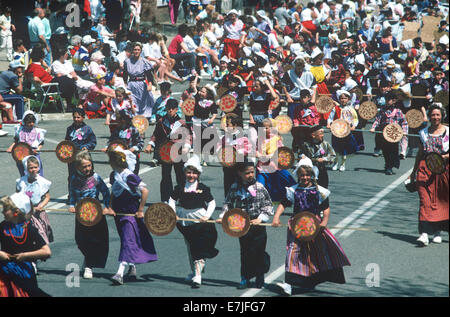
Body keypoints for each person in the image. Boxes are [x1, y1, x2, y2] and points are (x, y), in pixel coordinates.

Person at [272, 163, 350, 296]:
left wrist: (324, 222)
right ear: (298, 176)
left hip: (314, 226)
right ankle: (288, 284)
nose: (305, 177)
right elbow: (283, 204)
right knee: (293, 251)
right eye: (302, 175)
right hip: (297, 225)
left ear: (312, 176)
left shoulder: (320, 191)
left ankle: (311, 282)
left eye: (307, 175)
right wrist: (276, 217)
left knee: (315, 252)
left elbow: (326, 208)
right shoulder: (293, 190)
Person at [217, 161, 273, 290]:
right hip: (241, 224)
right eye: (247, 173)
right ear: (240, 173)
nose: (250, 175)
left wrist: (261, 218)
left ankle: (260, 277)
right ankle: (245, 277)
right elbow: (228, 203)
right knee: (245, 251)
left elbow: (268, 205)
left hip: (257, 224)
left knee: (258, 250)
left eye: (252, 172)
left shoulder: (259, 187)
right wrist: (223, 216)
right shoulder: (235, 187)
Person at [108, 149, 158, 285]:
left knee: (128, 240)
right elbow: (113, 191)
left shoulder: (130, 176)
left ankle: (119, 273)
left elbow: (145, 191)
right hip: (119, 213)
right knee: (125, 240)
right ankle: (132, 267)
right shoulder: (114, 175)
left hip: (131, 214)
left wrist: (141, 209)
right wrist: (110, 207)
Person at [168, 155, 219, 288]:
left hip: (200, 221)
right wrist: (173, 214)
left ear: (198, 174)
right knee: (190, 248)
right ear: (185, 172)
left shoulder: (203, 188)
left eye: (194, 173)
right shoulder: (179, 187)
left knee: (198, 247)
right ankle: (194, 272)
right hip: (185, 222)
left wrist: (207, 216)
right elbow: (172, 200)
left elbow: (212, 203)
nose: (191, 175)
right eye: (189, 172)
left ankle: (198, 276)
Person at [68, 150, 112, 279]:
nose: (87, 168)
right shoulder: (74, 179)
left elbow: (106, 193)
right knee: (80, 240)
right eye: (84, 166)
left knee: (95, 240)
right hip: (81, 214)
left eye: (89, 165)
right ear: (77, 167)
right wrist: (71, 205)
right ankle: (88, 259)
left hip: (95, 214)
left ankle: (89, 265)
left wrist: (106, 206)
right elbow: (72, 194)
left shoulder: (96, 178)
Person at [410, 104, 449, 246]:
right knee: (425, 201)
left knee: (439, 202)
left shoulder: (448, 132)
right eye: (433, 115)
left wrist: (445, 157)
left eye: (438, 115)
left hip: (442, 171)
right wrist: (413, 172)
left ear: (442, 116)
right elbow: (420, 154)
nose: (435, 117)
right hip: (425, 170)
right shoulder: (423, 133)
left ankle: (438, 231)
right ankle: (424, 234)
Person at [0, 192, 51, 297]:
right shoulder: (2, 227)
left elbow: (46, 252)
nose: (2, 212)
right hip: (4, 270)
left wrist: (25, 255)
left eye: (6, 209)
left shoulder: (30, 229)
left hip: (24, 272)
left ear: (16, 212)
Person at [145, 100, 192, 202]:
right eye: (168, 108)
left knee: (180, 176)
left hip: (179, 152)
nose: (170, 110)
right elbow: (155, 135)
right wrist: (150, 144)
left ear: (176, 110)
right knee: (166, 176)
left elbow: (188, 136)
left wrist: (186, 147)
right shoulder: (161, 121)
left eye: (172, 109)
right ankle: (166, 199)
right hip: (166, 152)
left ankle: (182, 198)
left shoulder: (181, 123)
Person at [255, 118, 296, 203]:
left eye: (268, 127)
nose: (266, 130)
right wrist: (261, 156)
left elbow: (281, 152)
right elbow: (256, 152)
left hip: (277, 167)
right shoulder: (260, 139)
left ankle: (298, 197)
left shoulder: (277, 139)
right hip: (263, 168)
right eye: (264, 128)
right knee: (259, 186)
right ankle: (258, 204)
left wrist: (271, 156)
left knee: (291, 183)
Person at [15, 155, 53, 247]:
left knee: (39, 232)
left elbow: (47, 197)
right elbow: (17, 195)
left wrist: (41, 206)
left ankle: (41, 249)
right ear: (26, 168)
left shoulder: (42, 182)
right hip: (26, 212)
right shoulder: (21, 181)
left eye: (35, 167)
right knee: (26, 233)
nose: (33, 170)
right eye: (30, 168)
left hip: (37, 212)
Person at [370, 91, 408, 175]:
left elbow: (404, 122)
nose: (387, 101)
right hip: (384, 133)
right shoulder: (382, 110)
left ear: (394, 101)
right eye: (386, 99)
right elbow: (377, 120)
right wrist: (373, 128)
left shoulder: (398, 111)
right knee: (385, 150)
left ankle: (390, 166)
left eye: (389, 100)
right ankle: (387, 165)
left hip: (394, 133)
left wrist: (404, 132)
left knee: (393, 150)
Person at [65, 108, 97, 193]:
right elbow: (66, 142)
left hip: (84, 156)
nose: (76, 119)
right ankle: (72, 195)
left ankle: (89, 193)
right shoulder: (69, 129)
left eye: (78, 117)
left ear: (83, 117)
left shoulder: (87, 129)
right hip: (72, 157)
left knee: (87, 175)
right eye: (74, 117)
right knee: (72, 176)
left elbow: (93, 141)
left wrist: (87, 147)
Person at [327, 90, 359, 172]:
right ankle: (335, 162)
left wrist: (354, 125)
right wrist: (329, 123)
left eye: (345, 98)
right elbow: (330, 117)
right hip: (337, 130)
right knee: (336, 147)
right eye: (341, 98)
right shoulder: (336, 108)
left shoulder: (350, 109)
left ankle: (343, 163)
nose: (343, 100)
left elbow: (355, 119)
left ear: (348, 99)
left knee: (344, 148)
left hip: (346, 131)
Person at [7, 110, 46, 177]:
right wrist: (11, 148)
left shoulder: (37, 131)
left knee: (36, 173)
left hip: (34, 154)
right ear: (24, 122)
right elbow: (16, 140)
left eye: (33, 122)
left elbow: (41, 142)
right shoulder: (20, 130)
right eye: (29, 122)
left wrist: (38, 149)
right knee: (24, 173)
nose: (31, 124)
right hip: (22, 154)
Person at [104, 110, 144, 175]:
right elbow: (111, 140)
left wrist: (134, 148)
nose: (116, 121)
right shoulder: (117, 130)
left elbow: (140, 142)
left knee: (132, 176)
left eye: (117, 120)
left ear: (123, 120)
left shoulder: (133, 129)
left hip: (131, 158)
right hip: (119, 158)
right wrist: (107, 147)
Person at [123, 42, 155, 120]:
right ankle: (134, 115)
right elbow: (125, 74)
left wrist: (150, 84)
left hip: (141, 83)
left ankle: (147, 115)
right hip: (131, 84)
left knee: (145, 100)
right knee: (132, 100)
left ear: (140, 51)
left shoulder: (144, 62)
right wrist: (125, 84)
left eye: (138, 50)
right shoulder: (127, 61)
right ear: (132, 51)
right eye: (135, 50)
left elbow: (149, 75)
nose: (136, 51)